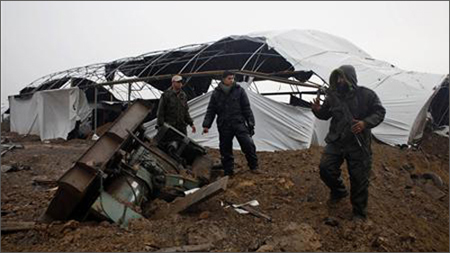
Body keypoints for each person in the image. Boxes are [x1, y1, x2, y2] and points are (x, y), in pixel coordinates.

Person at [311, 65, 386, 221]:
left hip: (358, 144)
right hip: (337, 140)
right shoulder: (332, 96)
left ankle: (359, 212)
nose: (339, 81)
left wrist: (365, 123)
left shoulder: (367, 95)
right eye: (337, 78)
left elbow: (379, 112)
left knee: (359, 178)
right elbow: (325, 115)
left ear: (350, 78)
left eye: (342, 77)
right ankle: (339, 191)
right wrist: (317, 110)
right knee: (325, 168)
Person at [202, 71, 260, 176]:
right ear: (223, 79)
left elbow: (246, 108)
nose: (232, 80)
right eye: (229, 78)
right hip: (224, 125)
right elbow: (211, 110)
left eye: (233, 78)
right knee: (225, 149)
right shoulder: (216, 93)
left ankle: (254, 166)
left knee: (248, 144)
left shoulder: (239, 91)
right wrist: (206, 125)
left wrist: (251, 123)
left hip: (238, 123)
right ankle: (228, 171)